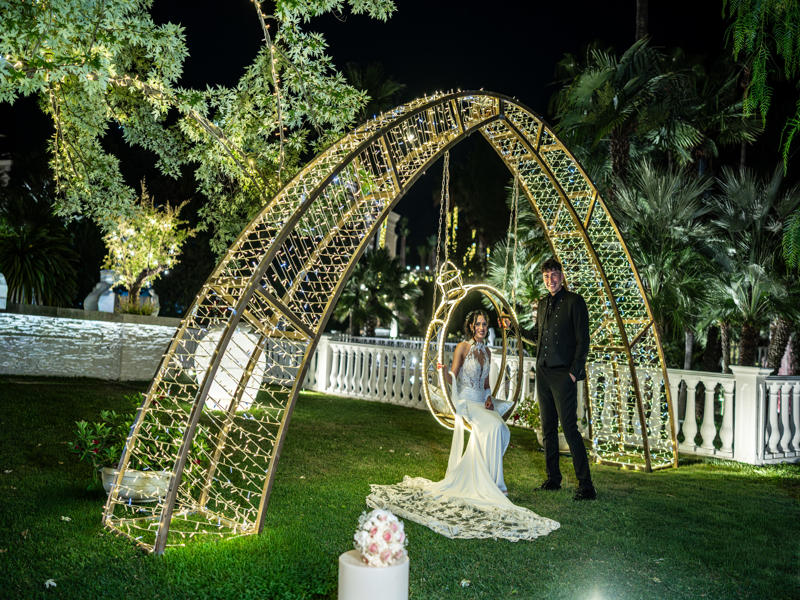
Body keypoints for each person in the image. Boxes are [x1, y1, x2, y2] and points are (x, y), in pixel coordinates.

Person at [365, 310, 560, 541]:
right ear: (471, 327)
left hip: (482, 402)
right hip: (467, 402)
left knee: (501, 428)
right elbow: (453, 375)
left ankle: (489, 479)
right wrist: (443, 372)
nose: (482, 328)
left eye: (484, 324)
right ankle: (497, 485)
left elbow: (486, 384)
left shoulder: (487, 351)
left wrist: (489, 397)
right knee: (492, 427)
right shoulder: (463, 348)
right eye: (478, 324)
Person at [530, 257, 596, 501]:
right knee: (547, 428)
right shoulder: (542, 303)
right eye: (546, 276)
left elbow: (583, 340)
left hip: (563, 375)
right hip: (543, 373)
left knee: (569, 429)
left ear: (562, 275)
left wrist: (573, 372)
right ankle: (553, 479)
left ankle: (586, 486)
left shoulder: (574, 302)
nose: (551, 280)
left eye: (554, 274)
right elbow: (536, 336)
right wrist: (512, 327)